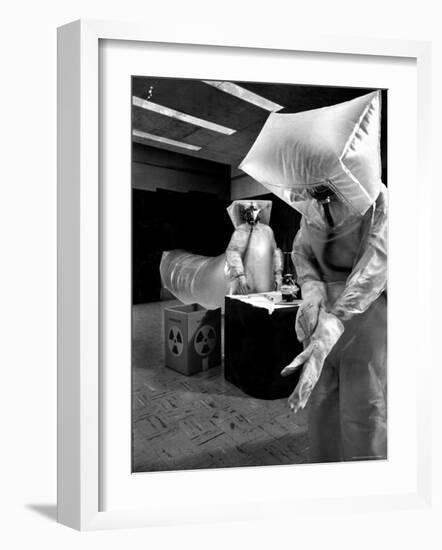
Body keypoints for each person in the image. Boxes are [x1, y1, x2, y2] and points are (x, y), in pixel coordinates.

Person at [239, 91, 387, 462]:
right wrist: (312, 291)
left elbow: (375, 266)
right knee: (321, 409)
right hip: (321, 319)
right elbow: (303, 253)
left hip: (366, 322)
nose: (314, 196)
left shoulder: (379, 203)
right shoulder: (311, 209)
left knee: (364, 412)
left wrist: (335, 320)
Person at [225, 201, 283, 295]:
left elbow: (275, 253)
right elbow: (233, 253)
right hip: (246, 280)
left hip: (265, 278)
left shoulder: (267, 231)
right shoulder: (240, 231)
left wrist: (278, 275)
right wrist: (240, 276)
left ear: (259, 212)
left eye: (254, 210)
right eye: (248, 210)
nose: (252, 213)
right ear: (244, 214)